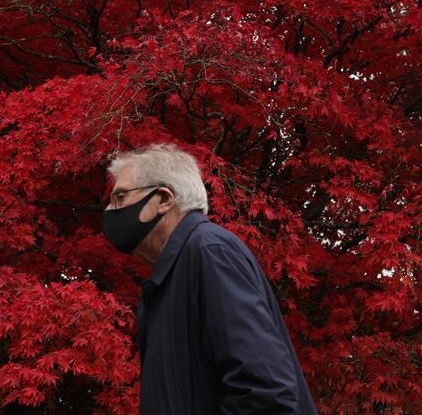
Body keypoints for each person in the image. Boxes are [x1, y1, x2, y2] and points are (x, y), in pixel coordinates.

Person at [102, 142, 318, 414]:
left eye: (120, 197)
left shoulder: (210, 253)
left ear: (164, 199)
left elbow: (263, 392)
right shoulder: (172, 275)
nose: (111, 211)